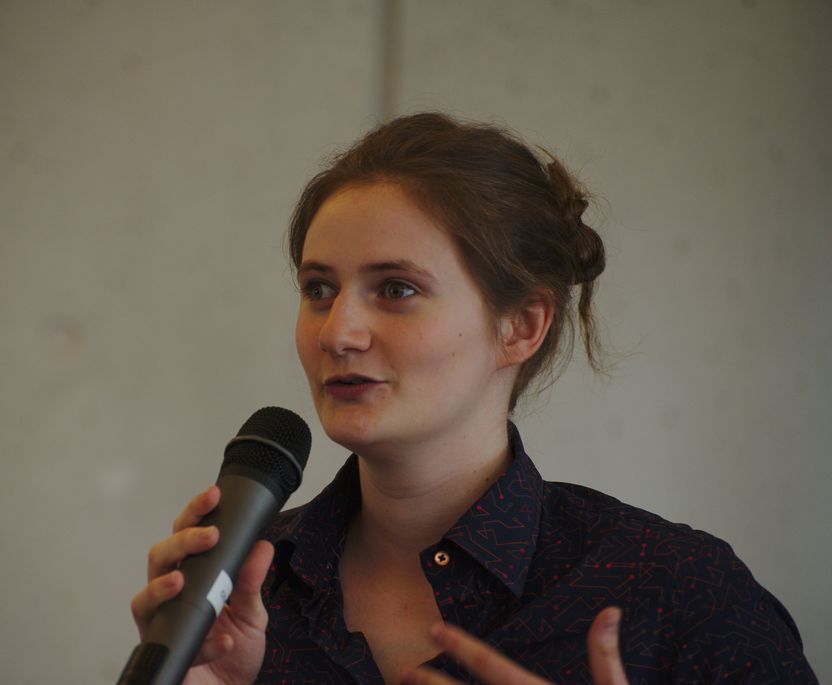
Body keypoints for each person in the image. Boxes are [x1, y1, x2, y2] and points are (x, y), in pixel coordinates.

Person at [130, 113, 816, 684]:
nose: (337, 331)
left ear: (521, 326)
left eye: (396, 288)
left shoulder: (674, 591)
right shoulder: (245, 591)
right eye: (319, 289)